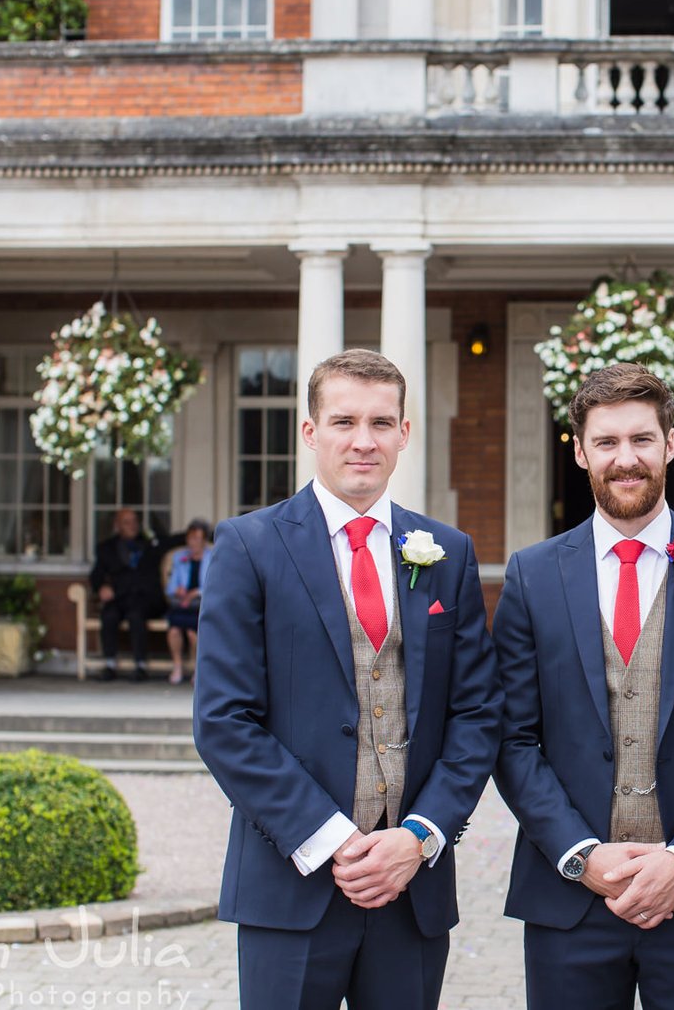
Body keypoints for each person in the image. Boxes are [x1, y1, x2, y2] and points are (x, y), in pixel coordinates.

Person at [193, 349, 501, 1010]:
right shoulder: (249, 546)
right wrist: (335, 839)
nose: (364, 441)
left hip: (411, 888)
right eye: (344, 421)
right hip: (291, 883)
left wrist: (418, 836)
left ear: (404, 433)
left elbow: (477, 714)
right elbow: (223, 721)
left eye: (381, 422)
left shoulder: (447, 552)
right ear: (310, 432)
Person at [492, 363, 674, 1010]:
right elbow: (512, 737)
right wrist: (579, 853)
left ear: (670, 444)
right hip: (570, 898)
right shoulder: (532, 576)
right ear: (581, 449)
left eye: (642, 439)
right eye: (608, 441)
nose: (627, 459)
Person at [88, 508, 176, 682]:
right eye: (127, 522)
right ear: (117, 525)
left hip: (146, 598)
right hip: (119, 596)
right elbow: (96, 575)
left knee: (136, 615)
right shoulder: (106, 548)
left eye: (135, 521)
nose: (133, 526)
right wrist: (101, 587)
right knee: (109, 614)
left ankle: (140, 666)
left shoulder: (151, 543)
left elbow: (175, 540)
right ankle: (109, 664)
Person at [162, 518, 212, 685]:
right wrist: (178, 590)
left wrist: (196, 592)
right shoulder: (178, 557)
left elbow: (214, 585)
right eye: (191, 538)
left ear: (204, 540)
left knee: (193, 633)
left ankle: (199, 670)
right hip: (182, 603)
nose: (194, 543)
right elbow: (170, 586)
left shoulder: (212, 557)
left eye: (198, 539)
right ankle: (178, 666)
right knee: (174, 630)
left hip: (201, 604)